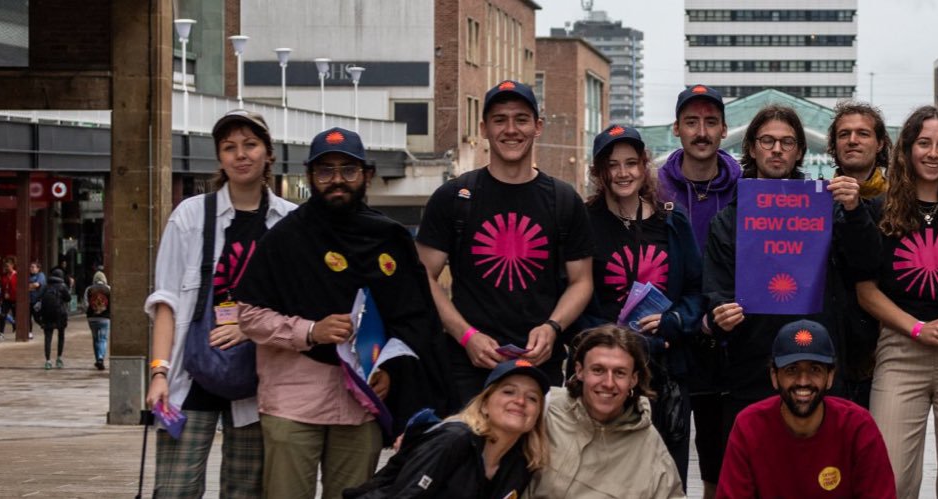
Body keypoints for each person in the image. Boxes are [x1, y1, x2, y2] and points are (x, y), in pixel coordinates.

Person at [235, 127, 447, 498]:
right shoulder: (284, 239)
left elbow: (416, 319)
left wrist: (392, 371)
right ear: (309, 177)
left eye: (348, 170)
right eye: (325, 171)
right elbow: (249, 315)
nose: (337, 181)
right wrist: (310, 331)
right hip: (293, 404)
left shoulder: (389, 238)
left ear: (367, 175)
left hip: (361, 404)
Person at [702, 105, 874, 482]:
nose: (777, 149)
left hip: (820, 361)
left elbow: (865, 266)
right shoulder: (729, 219)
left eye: (787, 142)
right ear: (751, 148)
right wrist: (719, 313)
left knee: (825, 476)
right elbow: (715, 288)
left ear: (799, 152)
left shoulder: (828, 205)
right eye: (767, 141)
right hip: (753, 366)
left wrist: (855, 211)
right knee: (757, 476)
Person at [143, 109, 294, 498]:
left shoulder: (290, 222)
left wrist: (250, 327)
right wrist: (159, 374)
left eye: (250, 144)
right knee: (175, 488)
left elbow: (300, 305)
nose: (240, 155)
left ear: (267, 153)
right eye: (229, 147)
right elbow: (166, 302)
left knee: (245, 491)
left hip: (261, 378)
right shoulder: (189, 217)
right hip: (190, 374)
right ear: (219, 158)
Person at [416, 80, 594, 402]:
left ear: (538, 127)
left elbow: (582, 282)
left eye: (521, 119)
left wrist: (553, 328)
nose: (511, 129)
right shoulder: (453, 198)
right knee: (470, 452)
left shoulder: (564, 200)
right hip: (468, 367)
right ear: (484, 128)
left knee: (540, 453)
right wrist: (465, 335)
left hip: (541, 363)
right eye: (500, 119)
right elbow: (420, 275)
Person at [848, 105, 938, 498]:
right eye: (924, 143)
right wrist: (917, 328)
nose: (933, 153)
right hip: (900, 349)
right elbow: (866, 292)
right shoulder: (877, 213)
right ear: (907, 149)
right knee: (890, 475)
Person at [573, 124, 705, 486]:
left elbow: (697, 291)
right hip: (606, 375)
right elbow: (574, 295)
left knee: (664, 478)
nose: (622, 173)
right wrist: (609, 337)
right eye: (612, 165)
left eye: (631, 163)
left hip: (666, 371)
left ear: (644, 166)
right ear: (598, 171)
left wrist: (674, 320)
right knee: (604, 479)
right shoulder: (583, 222)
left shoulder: (672, 219)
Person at [655, 84, 740, 498]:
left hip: (728, 340)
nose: (701, 132)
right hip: (670, 338)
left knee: (719, 462)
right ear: (677, 129)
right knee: (662, 462)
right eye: (692, 122)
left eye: (710, 122)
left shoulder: (748, 187)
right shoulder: (654, 190)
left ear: (725, 130)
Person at [717, 319, 895, 499]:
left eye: (815, 369)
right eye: (792, 370)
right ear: (774, 376)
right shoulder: (749, 425)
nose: (803, 381)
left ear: (830, 376)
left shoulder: (858, 425)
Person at [345, 359, 548, 498]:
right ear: (485, 404)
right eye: (509, 391)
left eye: (532, 398)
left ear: (537, 415)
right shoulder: (453, 439)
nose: (520, 401)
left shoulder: (521, 463)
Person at [527, 325, 684, 498]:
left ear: (633, 379)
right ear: (579, 371)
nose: (608, 383)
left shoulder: (648, 443)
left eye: (619, 373)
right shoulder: (544, 409)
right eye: (598, 370)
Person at [826, 100, 893, 408]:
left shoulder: (899, 201)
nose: (852, 140)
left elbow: (871, 263)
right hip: (831, 343)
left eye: (863, 133)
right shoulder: (814, 200)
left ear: (880, 143)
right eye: (844, 134)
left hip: (885, 345)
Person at [37, 268, 70, 369]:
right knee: (61, 336)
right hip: (60, 314)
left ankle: (48, 361)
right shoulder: (63, 286)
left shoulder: (46, 286)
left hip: (47, 315)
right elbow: (68, 298)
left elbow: (39, 297)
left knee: (48, 338)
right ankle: (59, 358)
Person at [85, 271, 110, 370]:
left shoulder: (89, 289)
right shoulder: (108, 289)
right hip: (105, 317)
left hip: (92, 318)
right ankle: (101, 358)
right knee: (103, 339)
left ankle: (97, 359)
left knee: (95, 339)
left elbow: (86, 304)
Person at [0, 259, 15, 339]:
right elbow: (2, 289)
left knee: (16, 316)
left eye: (8, 266)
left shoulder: (16, 275)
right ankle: (1, 333)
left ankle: (16, 326)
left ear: (12, 266)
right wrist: (0, 299)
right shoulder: (4, 276)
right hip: (5, 299)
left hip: (15, 299)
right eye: (5, 266)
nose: (6, 268)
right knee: (2, 315)